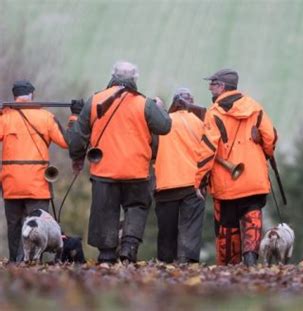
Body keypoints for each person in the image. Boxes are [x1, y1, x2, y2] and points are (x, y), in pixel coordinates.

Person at [67, 61, 172, 263]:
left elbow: (78, 139)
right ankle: (129, 247)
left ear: (112, 75)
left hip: (104, 170)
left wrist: (77, 158)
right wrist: (161, 108)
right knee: (137, 207)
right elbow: (165, 126)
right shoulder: (145, 103)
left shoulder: (94, 100)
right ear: (135, 79)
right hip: (137, 171)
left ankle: (106, 256)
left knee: (105, 211)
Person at [194, 69, 278, 266]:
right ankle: (250, 257)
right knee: (252, 213)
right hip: (255, 177)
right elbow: (270, 138)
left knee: (228, 223)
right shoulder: (255, 108)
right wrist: (264, 152)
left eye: (213, 84)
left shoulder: (214, 113)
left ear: (223, 86)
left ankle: (232, 266)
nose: (209, 88)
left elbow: (207, 149)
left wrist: (199, 180)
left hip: (227, 181)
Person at [0, 80, 69, 262]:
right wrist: (75, 117)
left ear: (14, 96)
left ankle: (15, 262)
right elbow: (66, 142)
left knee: (14, 226)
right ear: (33, 95)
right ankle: (36, 263)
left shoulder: (5, 118)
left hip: (11, 184)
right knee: (38, 225)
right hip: (38, 184)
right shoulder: (46, 117)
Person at [154, 87, 205, 264]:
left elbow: (152, 149)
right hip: (192, 184)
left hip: (165, 183)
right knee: (190, 226)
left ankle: (166, 261)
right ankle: (186, 260)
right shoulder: (200, 122)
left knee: (167, 228)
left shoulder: (163, 122)